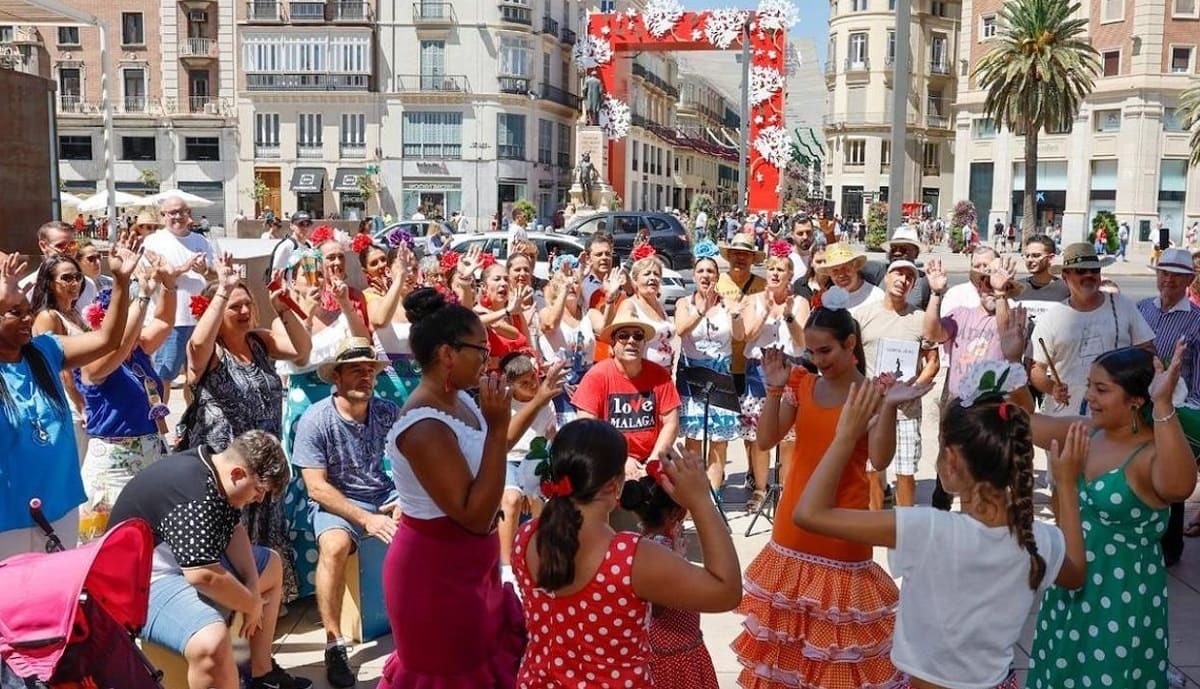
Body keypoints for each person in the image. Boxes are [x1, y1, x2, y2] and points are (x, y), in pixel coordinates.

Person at [795, 360, 1087, 689]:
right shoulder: (1037, 539)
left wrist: (845, 437)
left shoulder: (927, 529)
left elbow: (809, 514)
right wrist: (1066, 485)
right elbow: (1075, 574)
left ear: (951, 460)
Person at [733, 289, 903, 688]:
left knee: (837, 664)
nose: (817, 361)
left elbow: (880, 460)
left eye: (825, 351)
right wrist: (774, 389)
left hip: (844, 534)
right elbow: (766, 440)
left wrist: (890, 406)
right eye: (811, 353)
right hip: (792, 530)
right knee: (787, 657)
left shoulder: (873, 394)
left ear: (850, 344)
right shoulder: (802, 384)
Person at [511, 420, 741, 687]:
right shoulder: (630, 557)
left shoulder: (525, 537)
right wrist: (701, 501)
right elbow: (727, 592)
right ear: (615, 485)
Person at [378, 288, 524, 688]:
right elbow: (475, 517)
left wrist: (526, 406)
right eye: (480, 349)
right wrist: (496, 428)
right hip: (434, 580)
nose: (488, 357)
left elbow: (492, 458)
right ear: (447, 354)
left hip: (473, 571)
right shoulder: (424, 427)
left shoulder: (460, 400)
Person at [1027, 344, 1197, 688]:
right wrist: (1012, 361)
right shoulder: (1088, 431)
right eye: (1090, 385)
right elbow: (1020, 424)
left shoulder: (1150, 454)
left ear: (1136, 400)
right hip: (1070, 588)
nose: (1089, 396)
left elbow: (1180, 486)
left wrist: (1162, 403)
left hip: (1120, 598)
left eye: (1101, 389)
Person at [107, 430, 309, 689]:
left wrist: (252, 589)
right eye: (259, 490)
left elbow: (234, 530)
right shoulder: (195, 492)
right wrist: (251, 604)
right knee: (211, 643)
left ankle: (260, 674)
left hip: (181, 565)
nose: (260, 499)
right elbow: (203, 575)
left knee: (271, 564)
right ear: (238, 474)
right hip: (142, 582)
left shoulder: (214, 469)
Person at [183, 253, 313, 599]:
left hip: (264, 459)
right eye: (233, 306)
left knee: (264, 526)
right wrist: (222, 291)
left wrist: (281, 308)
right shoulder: (210, 351)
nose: (243, 312)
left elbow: (302, 351)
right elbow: (197, 343)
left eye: (246, 304)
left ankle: (267, 599)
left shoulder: (260, 341)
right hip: (227, 463)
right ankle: (232, 600)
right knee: (232, 530)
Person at [0, 235, 139, 559]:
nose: (27, 319)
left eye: (27, 310)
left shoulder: (45, 350)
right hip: (7, 520)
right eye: (13, 312)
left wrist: (121, 280)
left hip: (59, 510)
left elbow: (108, 340)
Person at [292, 337, 400, 688]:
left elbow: (409, 461)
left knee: (426, 528)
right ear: (336, 377)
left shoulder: (386, 411)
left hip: (384, 495)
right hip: (335, 500)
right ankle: (334, 644)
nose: (365, 377)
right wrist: (365, 518)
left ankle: (420, 624)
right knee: (335, 545)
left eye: (370, 371)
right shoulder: (315, 419)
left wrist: (405, 498)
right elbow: (316, 487)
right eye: (356, 370)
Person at [75, 255, 180, 541]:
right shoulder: (92, 360)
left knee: (150, 541)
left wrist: (168, 286)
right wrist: (142, 295)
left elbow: (163, 321)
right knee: (108, 542)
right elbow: (118, 345)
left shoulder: (139, 351)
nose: (137, 325)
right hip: (113, 463)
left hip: (151, 453)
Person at [617, 470, 720, 689]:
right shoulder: (660, 551)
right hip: (674, 653)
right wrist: (679, 562)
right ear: (675, 512)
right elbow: (658, 606)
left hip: (672, 646)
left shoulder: (645, 543)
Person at [1032, 243, 1155, 416]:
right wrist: (1052, 388)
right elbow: (1037, 370)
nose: (1089, 275)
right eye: (1081, 271)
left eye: (1094, 270)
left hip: (1117, 416)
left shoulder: (1122, 304)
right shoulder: (1052, 318)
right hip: (1067, 417)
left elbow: (1147, 350)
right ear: (1065, 276)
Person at [855, 258, 939, 509]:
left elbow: (932, 362)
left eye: (909, 278)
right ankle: (874, 522)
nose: (903, 280)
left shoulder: (921, 319)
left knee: (905, 472)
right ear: (886, 278)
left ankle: (905, 526)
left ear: (913, 285)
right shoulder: (863, 316)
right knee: (872, 471)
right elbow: (852, 359)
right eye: (898, 274)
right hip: (872, 409)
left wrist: (911, 390)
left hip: (907, 410)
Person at [1134, 247, 1200, 564]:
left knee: (1170, 475)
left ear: (1190, 279)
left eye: (1176, 274)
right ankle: (1143, 539)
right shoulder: (1141, 308)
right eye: (1163, 273)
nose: (1168, 279)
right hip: (1137, 406)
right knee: (1142, 472)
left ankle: (1169, 546)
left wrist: (1191, 415)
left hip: (1175, 410)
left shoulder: (1197, 320)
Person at [741, 242, 808, 511]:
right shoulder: (753, 299)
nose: (775, 274)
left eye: (781, 269)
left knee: (789, 439)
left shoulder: (800, 301)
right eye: (771, 269)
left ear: (790, 275)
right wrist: (767, 310)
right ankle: (760, 489)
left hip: (789, 369)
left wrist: (789, 315)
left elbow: (802, 343)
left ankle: (786, 491)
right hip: (758, 370)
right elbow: (746, 335)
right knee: (760, 436)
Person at [674, 242, 744, 501]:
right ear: (694, 276)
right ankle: (695, 495)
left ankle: (713, 496)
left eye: (710, 272)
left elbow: (740, 337)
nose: (706, 276)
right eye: (701, 271)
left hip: (721, 376)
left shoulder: (728, 303)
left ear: (717, 277)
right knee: (694, 439)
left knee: (718, 442)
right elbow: (680, 330)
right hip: (693, 378)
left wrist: (736, 314)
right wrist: (701, 310)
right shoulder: (685, 302)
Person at [572, 316, 681, 477]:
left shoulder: (660, 376)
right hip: (607, 460)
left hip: (652, 459)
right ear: (613, 343)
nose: (631, 341)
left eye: (638, 336)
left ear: (644, 343)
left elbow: (671, 423)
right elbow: (586, 429)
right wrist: (620, 460)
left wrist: (652, 463)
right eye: (623, 336)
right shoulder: (596, 376)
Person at [496, 352, 565, 579]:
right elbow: (500, 444)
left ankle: (539, 559)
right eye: (524, 383)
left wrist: (531, 484)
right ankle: (506, 568)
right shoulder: (504, 403)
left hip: (536, 459)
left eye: (533, 378)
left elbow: (549, 440)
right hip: (507, 459)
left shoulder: (546, 401)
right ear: (511, 385)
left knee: (540, 499)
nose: (533, 385)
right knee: (511, 500)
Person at [142, 196, 215, 401]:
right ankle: (160, 427)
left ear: (188, 214)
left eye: (181, 211)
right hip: (170, 321)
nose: (177, 217)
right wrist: (181, 269)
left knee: (196, 375)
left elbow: (214, 275)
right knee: (163, 377)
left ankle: (190, 425)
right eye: (172, 213)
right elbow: (148, 276)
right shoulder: (153, 241)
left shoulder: (201, 241)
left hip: (200, 320)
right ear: (163, 216)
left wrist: (206, 270)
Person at [615, 246, 676, 369]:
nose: (652, 278)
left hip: (665, 374)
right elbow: (622, 345)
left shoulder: (659, 304)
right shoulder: (630, 306)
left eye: (656, 274)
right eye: (647, 274)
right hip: (642, 374)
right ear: (635, 280)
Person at [19, 221, 98, 308]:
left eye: (72, 245)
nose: (68, 251)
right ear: (43, 246)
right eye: (60, 246)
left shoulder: (88, 285)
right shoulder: (26, 289)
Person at [861, 226, 932, 310]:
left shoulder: (925, 282)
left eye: (903, 250)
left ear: (916, 253)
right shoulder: (878, 273)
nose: (897, 253)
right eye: (893, 249)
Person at [816, 242, 882, 315]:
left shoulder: (876, 296)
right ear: (830, 274)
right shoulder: (827, 299)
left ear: (855, 266)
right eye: (835, 271)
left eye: (845, 268)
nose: (841, 275)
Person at [270, 210, 313, 277]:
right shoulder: (287, 246)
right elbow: (276, 275)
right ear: (291, 226)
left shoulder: (310, 245)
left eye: (308, 225)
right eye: (301, 224)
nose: (305, 228)